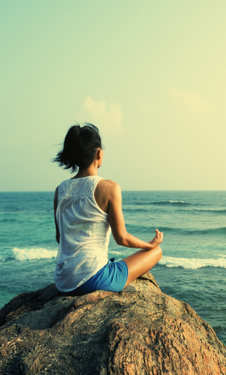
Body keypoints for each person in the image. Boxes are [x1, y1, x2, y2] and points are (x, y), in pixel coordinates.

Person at [53, 123, 163, 295]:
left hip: (63, 282)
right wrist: (150, 244)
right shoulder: (109, 188)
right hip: (93, 279)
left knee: (111, 262)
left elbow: (60, 238)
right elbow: (122, 238)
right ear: (99, 153)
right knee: (156, 251)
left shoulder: (60, 190)